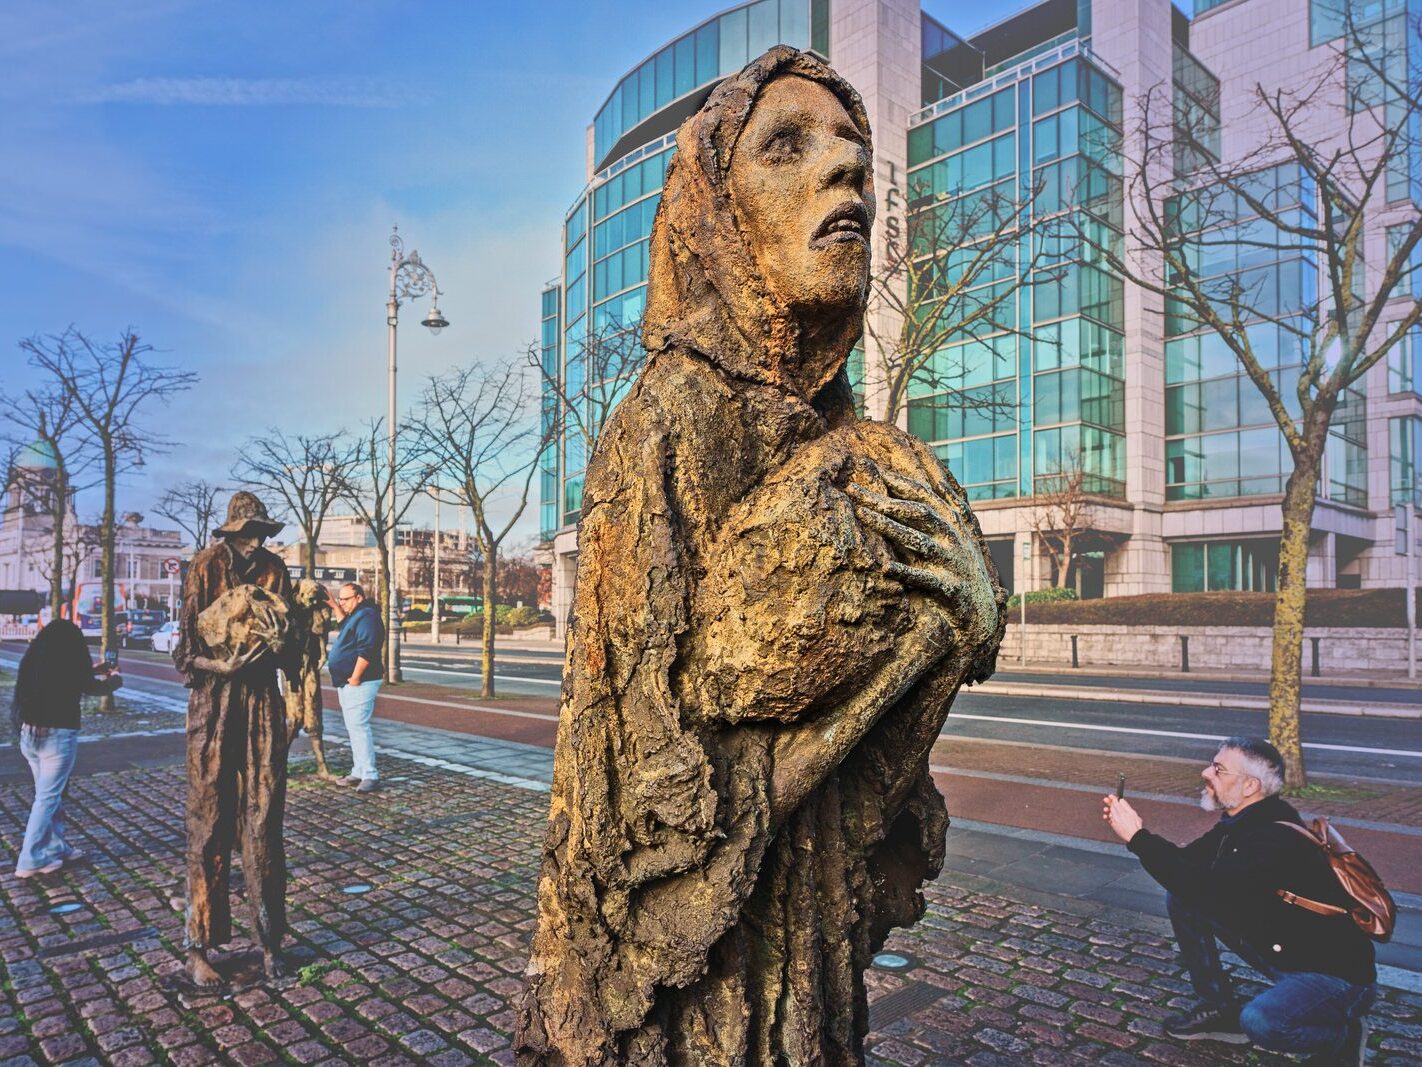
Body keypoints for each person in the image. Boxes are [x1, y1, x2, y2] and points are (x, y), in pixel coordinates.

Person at [516, 47, 1004, 1064]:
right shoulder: (667, 419)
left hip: (812, 928)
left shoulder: (854, 444)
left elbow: (871, 770)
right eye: (788, 147)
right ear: (715, 212)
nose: (845, 176)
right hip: (711, 976)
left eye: (857, 159)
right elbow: (653, 792)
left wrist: (950, 637)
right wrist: (914, 645)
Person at [1103, 736, 1375, 1064]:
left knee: (1262, 1022)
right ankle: (1219, 1008)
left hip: (1334, 976)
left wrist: (1137, 838)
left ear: (1249, 786)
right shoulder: (1244, 822)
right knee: (1183, 899)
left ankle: (1341, 1035)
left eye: (1218, 769)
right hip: (1285, 949)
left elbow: (1206, 888)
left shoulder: (1272, 838)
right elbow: (1187, 868)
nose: (1206, 772)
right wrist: (1139, 832)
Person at [174, 490, 293, 987]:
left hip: (263, 702)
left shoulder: (275, 570)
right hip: (214, 704)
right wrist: (218, 664)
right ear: (230, 533)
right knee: (209, 822)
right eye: (247, 534)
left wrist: (285, 642)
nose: (254, 543)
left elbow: (291, 644)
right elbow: (184, 653)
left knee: (265, 822)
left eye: (260, 534)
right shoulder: (203, 566)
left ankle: (270, 940)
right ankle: (199, 946)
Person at [10, 619, 120, 877]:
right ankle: (30, 859)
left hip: (30, 734)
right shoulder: (68, 663)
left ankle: (56, 848)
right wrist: (115, 679)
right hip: (57, 737)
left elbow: (73, 678)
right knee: (47, 798)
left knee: (50, 795)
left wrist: (97, 668)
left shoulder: (35, 659)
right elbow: (91, 687)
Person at [326, 582, 384, 793]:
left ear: (359, 597)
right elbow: (345, 626)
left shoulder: (368, 616)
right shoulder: (357, 615)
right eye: (340, 598)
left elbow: (367, 648)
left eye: (346, 599)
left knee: (359, 728)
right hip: (348, 681)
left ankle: (370, 774)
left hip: (361, 681)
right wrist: (334, 606)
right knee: (353, 728)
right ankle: (359, 770)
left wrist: (356, 677)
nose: (343, 602)